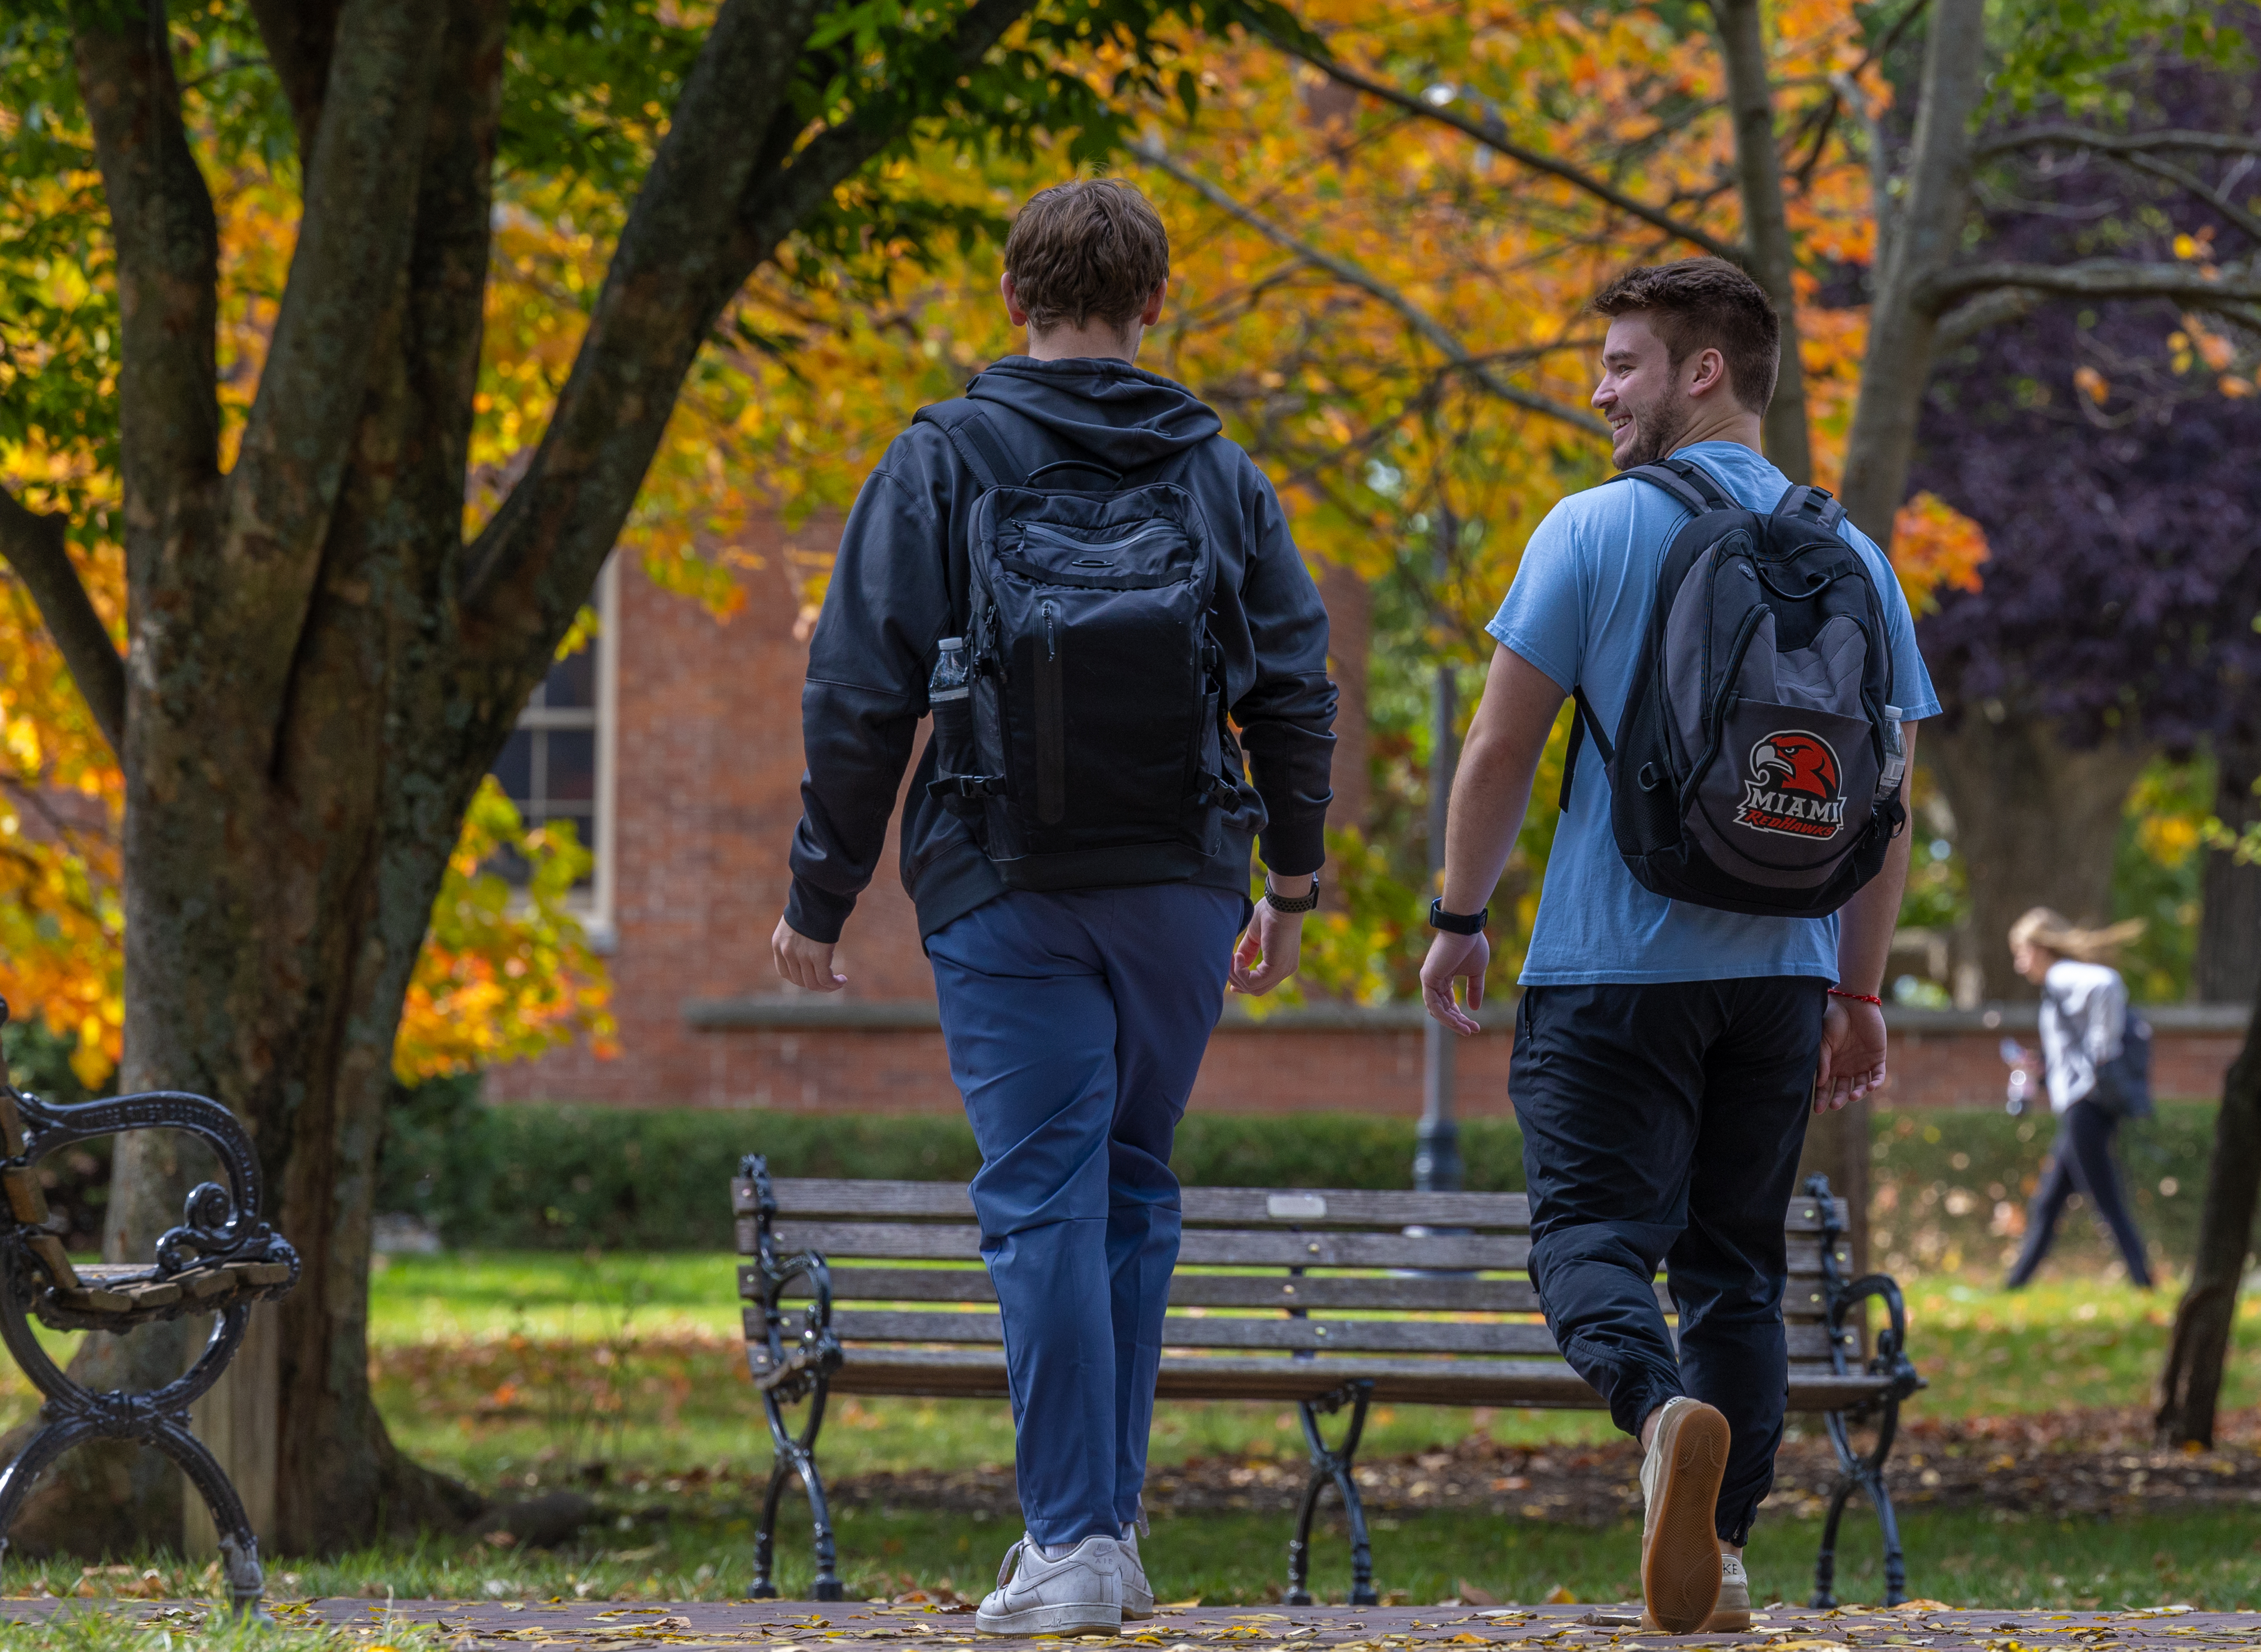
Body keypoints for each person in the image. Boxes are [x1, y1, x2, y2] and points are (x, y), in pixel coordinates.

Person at [769, 178, 1338, 1635]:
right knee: (1130, 1183)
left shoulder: (940, 458)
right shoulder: (1217, 469)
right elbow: (1288, 678)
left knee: (1040, 1197)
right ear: (1154, 303)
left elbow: (857, 686)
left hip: (999, 872)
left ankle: (1073, 1534)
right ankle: (1108, 1532)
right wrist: (1289, 873)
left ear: (1011, 300)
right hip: (1180, 877)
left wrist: (818, 897)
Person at [1417, 258, 1938, 1634]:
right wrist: (1858, 985)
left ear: (1703, 370)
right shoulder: (1858, 557)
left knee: (1586, 1235)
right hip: (1776, 976)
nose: (1599, 391)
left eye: (1621, 363)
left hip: (1606, 968)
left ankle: (1657, 1421)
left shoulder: (1587, 531)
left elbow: (1498, 749)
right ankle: (1726, 1553)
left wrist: (1459, 916)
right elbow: (1888, 802)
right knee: (1735, 1269)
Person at [2004, 908, 2156, 1290]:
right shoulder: (2055, 988)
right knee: (2049, 1201)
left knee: (2106, 1201)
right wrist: (2042, 1068)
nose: (2019, 965)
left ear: (2039, 949)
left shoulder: (2061, 975)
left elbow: (2106, 985)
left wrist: (2101, 1053)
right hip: (2082, 1103)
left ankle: (2143, 1282)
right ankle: (2014, 1284)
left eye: (2021, 953)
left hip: (2086, 1104)